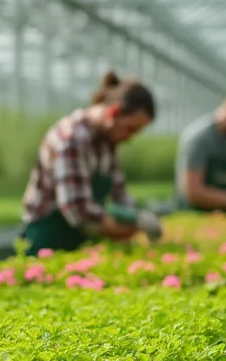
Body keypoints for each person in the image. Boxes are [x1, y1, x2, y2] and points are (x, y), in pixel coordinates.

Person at [19, 71, 163, 254]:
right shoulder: (72, 138)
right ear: (113, 112)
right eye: (130, 129)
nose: (130, 137)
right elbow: (77, 208)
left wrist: (137, 216)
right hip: (47, 235)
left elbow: (119, 193)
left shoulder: (108, 141)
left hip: (78, 238)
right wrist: (119, 228)